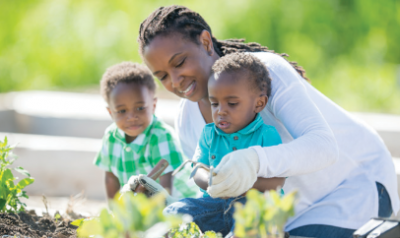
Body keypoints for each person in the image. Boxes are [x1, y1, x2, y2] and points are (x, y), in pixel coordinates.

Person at [136, 5, 399, 238]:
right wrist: (166, 204)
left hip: (353, 187)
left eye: (179, 62)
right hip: (283, 212)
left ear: (205, 42)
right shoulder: (187, 119)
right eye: (162, 76)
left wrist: (254, 161)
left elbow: (324, 146)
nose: (175, 81)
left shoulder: (263, 74)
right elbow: (214, 193)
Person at [164, 53, 285, 236]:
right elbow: (198, 169)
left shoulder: (266, 135)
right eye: (214, 104)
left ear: (259, 103)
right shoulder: (209, 133)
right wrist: (211, 182)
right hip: (215, 204)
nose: (221, 111)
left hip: (253, 206)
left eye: (232, 103)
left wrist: (243, 185)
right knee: (173, 212)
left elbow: (277, 181)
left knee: (253, 223)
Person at [94, 61, 198, 201]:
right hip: (140, 202)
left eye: (140, 108)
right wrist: (116, 213)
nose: (131, 117)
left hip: (177, 202)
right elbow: (110, 178)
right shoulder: (110, 137)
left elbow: (165, 187)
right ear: (110, 112)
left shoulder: (161, 136)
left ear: (153, 105)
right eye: (122, 111)